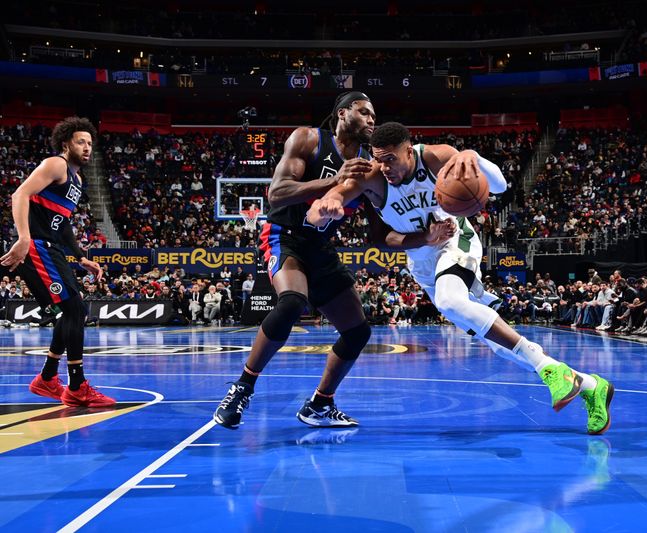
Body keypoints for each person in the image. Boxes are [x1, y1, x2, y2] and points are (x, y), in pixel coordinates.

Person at [308, 122, 613, 434]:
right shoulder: (373, 177)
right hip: (424, 264)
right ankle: (591, 385)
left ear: (409, 151)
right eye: (378, 159)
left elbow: (500, 186)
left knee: (450, 300)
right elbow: (329, 205)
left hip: (457, 241)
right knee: (494, 340)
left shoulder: (437, 158)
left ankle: (551, 368)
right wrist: (327, 202)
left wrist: (474, 157)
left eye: (390, 159)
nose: (384, 167)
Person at [214, 91, 376, 429]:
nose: (371, 119)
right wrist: (335, 179)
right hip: (283, 233)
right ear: (343, 114)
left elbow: (378, 225)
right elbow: (277, 193)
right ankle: (242, 388)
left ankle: (320, 404)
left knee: (357, 331)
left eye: (374, 114)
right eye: (364, 112)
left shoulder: (370, 162)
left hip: (320, 244)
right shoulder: (309, 138)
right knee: (291, 302)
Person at [0, 117, 114, 407]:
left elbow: (62, 224)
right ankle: (75, 386)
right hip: (37, 246)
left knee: (71, 311)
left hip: (53, 248)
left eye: (90, 143)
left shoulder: (76, 179)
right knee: (75, 309)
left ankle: (48, 379)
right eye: (80, 142)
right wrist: (23, 237)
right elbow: (20, 194)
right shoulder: (56, 165)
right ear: (66, 143)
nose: (87, 147)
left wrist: (81, 258)